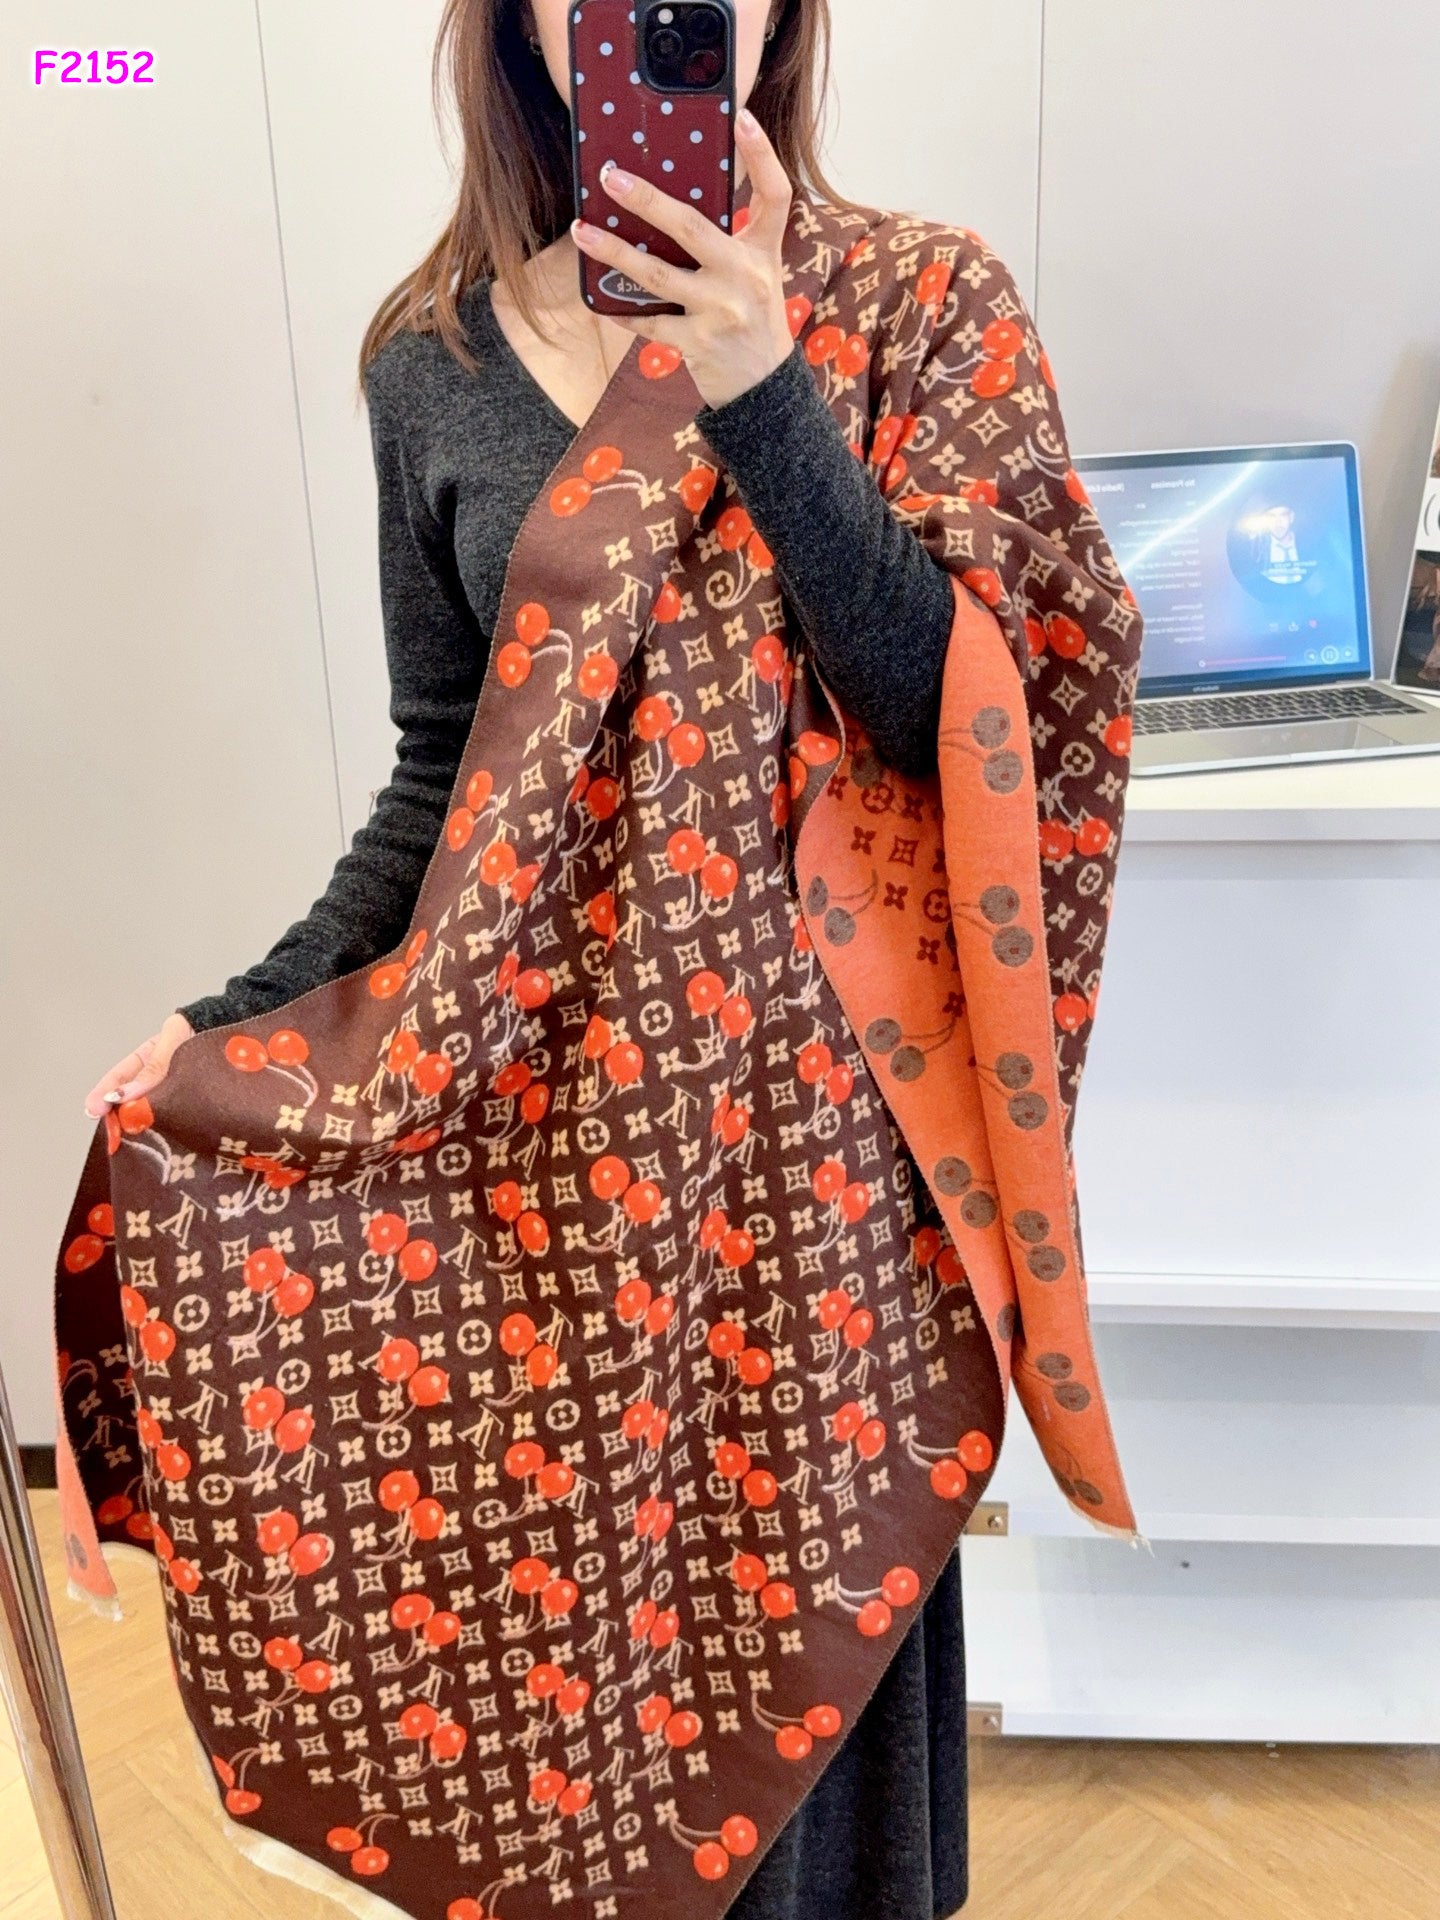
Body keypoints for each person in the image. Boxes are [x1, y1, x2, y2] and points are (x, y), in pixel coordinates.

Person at [78, 5, 1064, 1915]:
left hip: (825, 1183)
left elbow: (971, 724)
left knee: (811, 1736)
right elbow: (442, 780)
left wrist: (763, 389)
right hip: (560, 1155)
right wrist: (218, 1024)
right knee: (585, 1686)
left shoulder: (927, 306)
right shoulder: (432, 363)